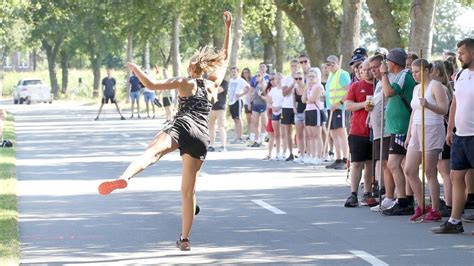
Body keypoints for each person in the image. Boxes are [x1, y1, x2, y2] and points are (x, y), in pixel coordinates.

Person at [97, 11, 232, 250]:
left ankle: (124, 177)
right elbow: (226, 57)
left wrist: (135, 68)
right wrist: (228, 28)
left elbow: (150, 84)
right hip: (202, 136)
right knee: (188, 192)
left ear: (191, 68)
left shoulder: (184, 82)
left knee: (152, 153)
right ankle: (185, 239)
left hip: (182, 125)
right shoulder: (213, 85)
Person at [432, 38, 474, 234]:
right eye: (458, 52)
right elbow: (455, 102)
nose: (459, 56)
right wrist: (451, 130)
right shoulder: (461, 75)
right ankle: (454, 221)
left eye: (463, 53)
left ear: (473, 53)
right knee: (456, 177)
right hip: (460, 136)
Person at [404, 59, 449, 222]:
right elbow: (414, 112)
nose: (414, 75)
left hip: (432, 128)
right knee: (409, 169)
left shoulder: (436, 86)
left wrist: (428, 105)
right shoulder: (416, 88)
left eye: (417, 71)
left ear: (427, 70)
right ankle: (422, 204)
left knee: (430, 171)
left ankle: (435, 209)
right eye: (413, 72)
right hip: (416, 128)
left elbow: (444, 109)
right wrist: (409, 134)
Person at [379, 48, 417, 216]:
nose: (385, 64)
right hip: (397, 126)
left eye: (387, 61)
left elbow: (388, 92)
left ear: (392, 63)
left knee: (394, 164)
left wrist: (383, 74)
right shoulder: (399, 76)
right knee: (399, 164)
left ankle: (403, 201)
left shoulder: (402, 75)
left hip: (402, 127)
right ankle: (405, 199)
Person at [344, 60, 375, 207]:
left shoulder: (379, 86)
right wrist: (363, 104)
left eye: (370, 69)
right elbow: (348, 105)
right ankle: (353, 194)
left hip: (374, 131)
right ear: (360, 71)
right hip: (358, 130)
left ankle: (367, 193)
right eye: (364, 69)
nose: (368, 72)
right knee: (357, 163)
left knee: (370, 164)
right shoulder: (356, 86)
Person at [324, 55, 351, 170]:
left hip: (339, 108)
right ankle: (338, 158)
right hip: (331, 108)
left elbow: (349, 90)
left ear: (336, 63)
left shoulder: (342, 74)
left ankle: (346, 159)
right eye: (327, 64)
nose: (329, 66)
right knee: (333, 133)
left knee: (341, 133)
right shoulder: (331, 75)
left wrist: (339, 103)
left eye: (331, 64)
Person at [302, 68, 325, 165]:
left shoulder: (318, 86)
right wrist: (306, 89)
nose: (310, 79)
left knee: (317, 135)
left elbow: (311, 99)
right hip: (308, 110)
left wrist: (308, 99)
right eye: (309, 76)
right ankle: (311, 154)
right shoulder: (309, 87)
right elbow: (303, 100)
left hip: (316, 111)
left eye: (313, 76)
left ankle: (318, 156)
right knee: (310, 135)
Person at [280, 59, 299, 161]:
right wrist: (293, 84)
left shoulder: (302, 78)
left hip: (298, 106)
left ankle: (301, 151)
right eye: (292, 66)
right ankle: (290, 152)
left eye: (296, 66)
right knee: (288, 130)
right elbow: (284, 93)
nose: (294, 68)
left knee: (300, 130)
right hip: (287, 106)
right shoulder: (286, 79)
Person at [228, 67, 250, 144]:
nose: (233, 73)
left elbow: (248, 88)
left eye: (235, 71)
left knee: (238, 118)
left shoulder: (240, 80)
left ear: (238, 72)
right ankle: (236, 137)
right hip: (231, 101)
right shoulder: (231, 80)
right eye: (232, 71)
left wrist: (241, 94)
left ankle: (240, 138)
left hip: (237, 101)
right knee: (235, 119)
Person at [249, 71, 268, 147]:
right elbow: (252, 94)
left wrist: (261, 96)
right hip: (255, 105)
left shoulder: (264, 85)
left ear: (262, 76)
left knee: (264, 123)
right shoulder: (256, 84)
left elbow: (267, 97)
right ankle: (257, 140)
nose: (257, 77)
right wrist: (250, 103)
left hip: (263, 105)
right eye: (256, 75)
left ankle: (265, 138)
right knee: (255, 123)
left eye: (259, 75)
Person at [208, 79, 228, 152]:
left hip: (220, 108)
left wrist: (211, 89)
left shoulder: (224, 82)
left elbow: (219, 90)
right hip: (211, 107)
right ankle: (211, 145)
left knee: (221, 127)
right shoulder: (210, 81)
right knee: (211, 127)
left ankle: (223, 146)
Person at [293, 71, 307, 164]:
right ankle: (301, 154)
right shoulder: (295, 89)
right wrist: (294, 108)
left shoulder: (307, 87)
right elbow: (293, 100)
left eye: (300, 78)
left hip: (307, 112)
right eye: (296, 78)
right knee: (299, 134)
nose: (298, 80)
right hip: (298, 113)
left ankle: (308, 153)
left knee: (308, 134)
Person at [241, 68, 253, 139]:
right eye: (244, 73)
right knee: (249, 120)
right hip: (245, 102)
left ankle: (254, 135)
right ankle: (249, 135)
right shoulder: (242, 81)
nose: (245, 74)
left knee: (253, 120)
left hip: (252, 102)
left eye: (247, 72)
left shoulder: (252, 81)